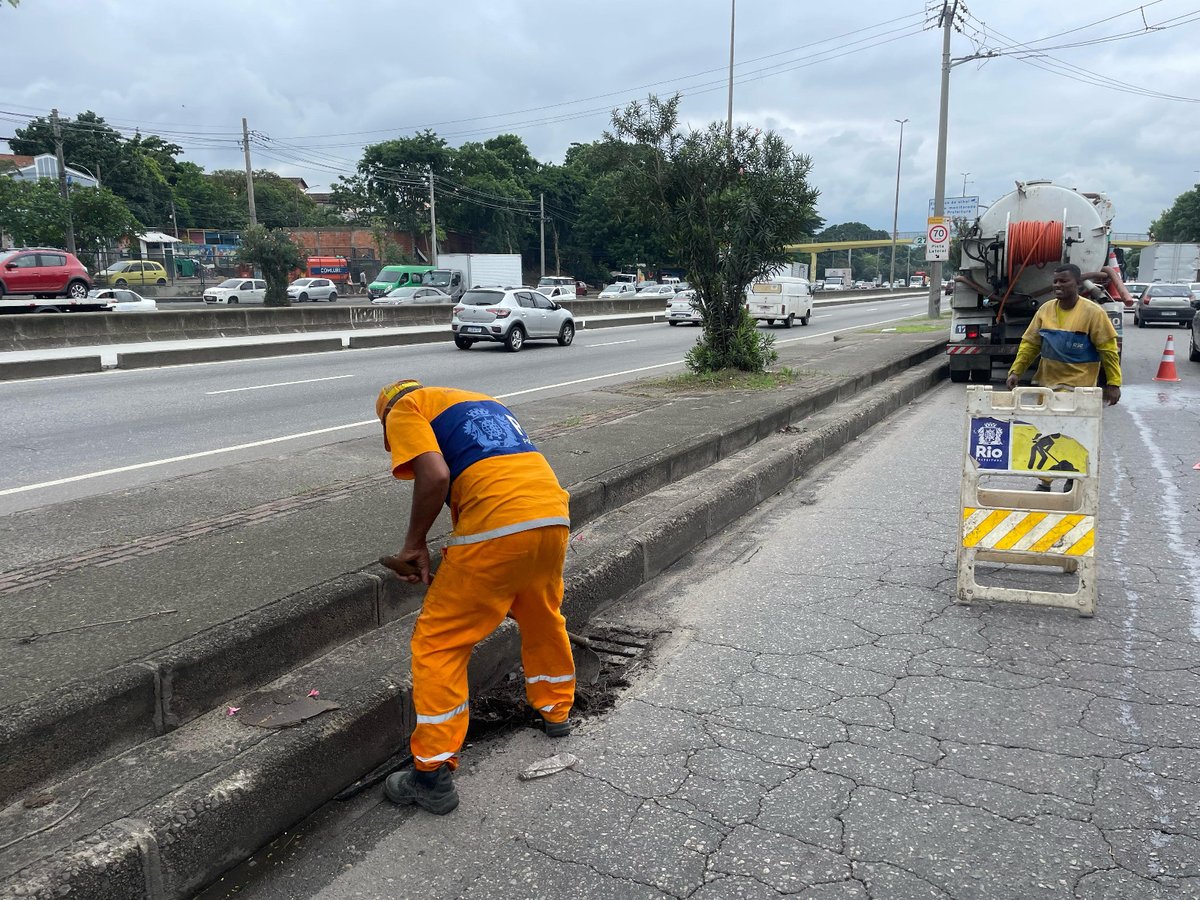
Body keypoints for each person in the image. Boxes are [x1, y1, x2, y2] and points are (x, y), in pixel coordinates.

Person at [374, 379, 575, 815]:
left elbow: (435, 474)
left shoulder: (404, 408)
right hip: (552, 517)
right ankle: (556, 712)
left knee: (439, 642)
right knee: (542, 617)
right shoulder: (479, 402)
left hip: (499, 527)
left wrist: (413, 545)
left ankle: (430, 773)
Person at [1005, 263, 1122, 491]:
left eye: (1064, 281)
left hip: (1078, 390)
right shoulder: (1045, 310)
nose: (1058, 285)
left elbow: (1109, 351)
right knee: (1046, 434)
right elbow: (1030, 344)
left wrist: (1113, 383)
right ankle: (1046, 480)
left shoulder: (1093, 313)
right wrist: (1016, 371)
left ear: (1077, 283)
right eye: (1055, 281)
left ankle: (1071, 477)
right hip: (1047, 387)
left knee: (1072, 434)